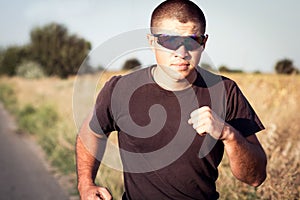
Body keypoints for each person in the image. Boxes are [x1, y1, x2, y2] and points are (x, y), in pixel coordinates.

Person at [75, 0, 267, 199]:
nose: (181, 53)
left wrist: (228, 135)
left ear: (204, 43)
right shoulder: (120, 89)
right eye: (169, 41)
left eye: (192, 41)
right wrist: (86, 184)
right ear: (152, 42)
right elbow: (91, 133)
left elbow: (256, 177)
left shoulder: (225, 91)